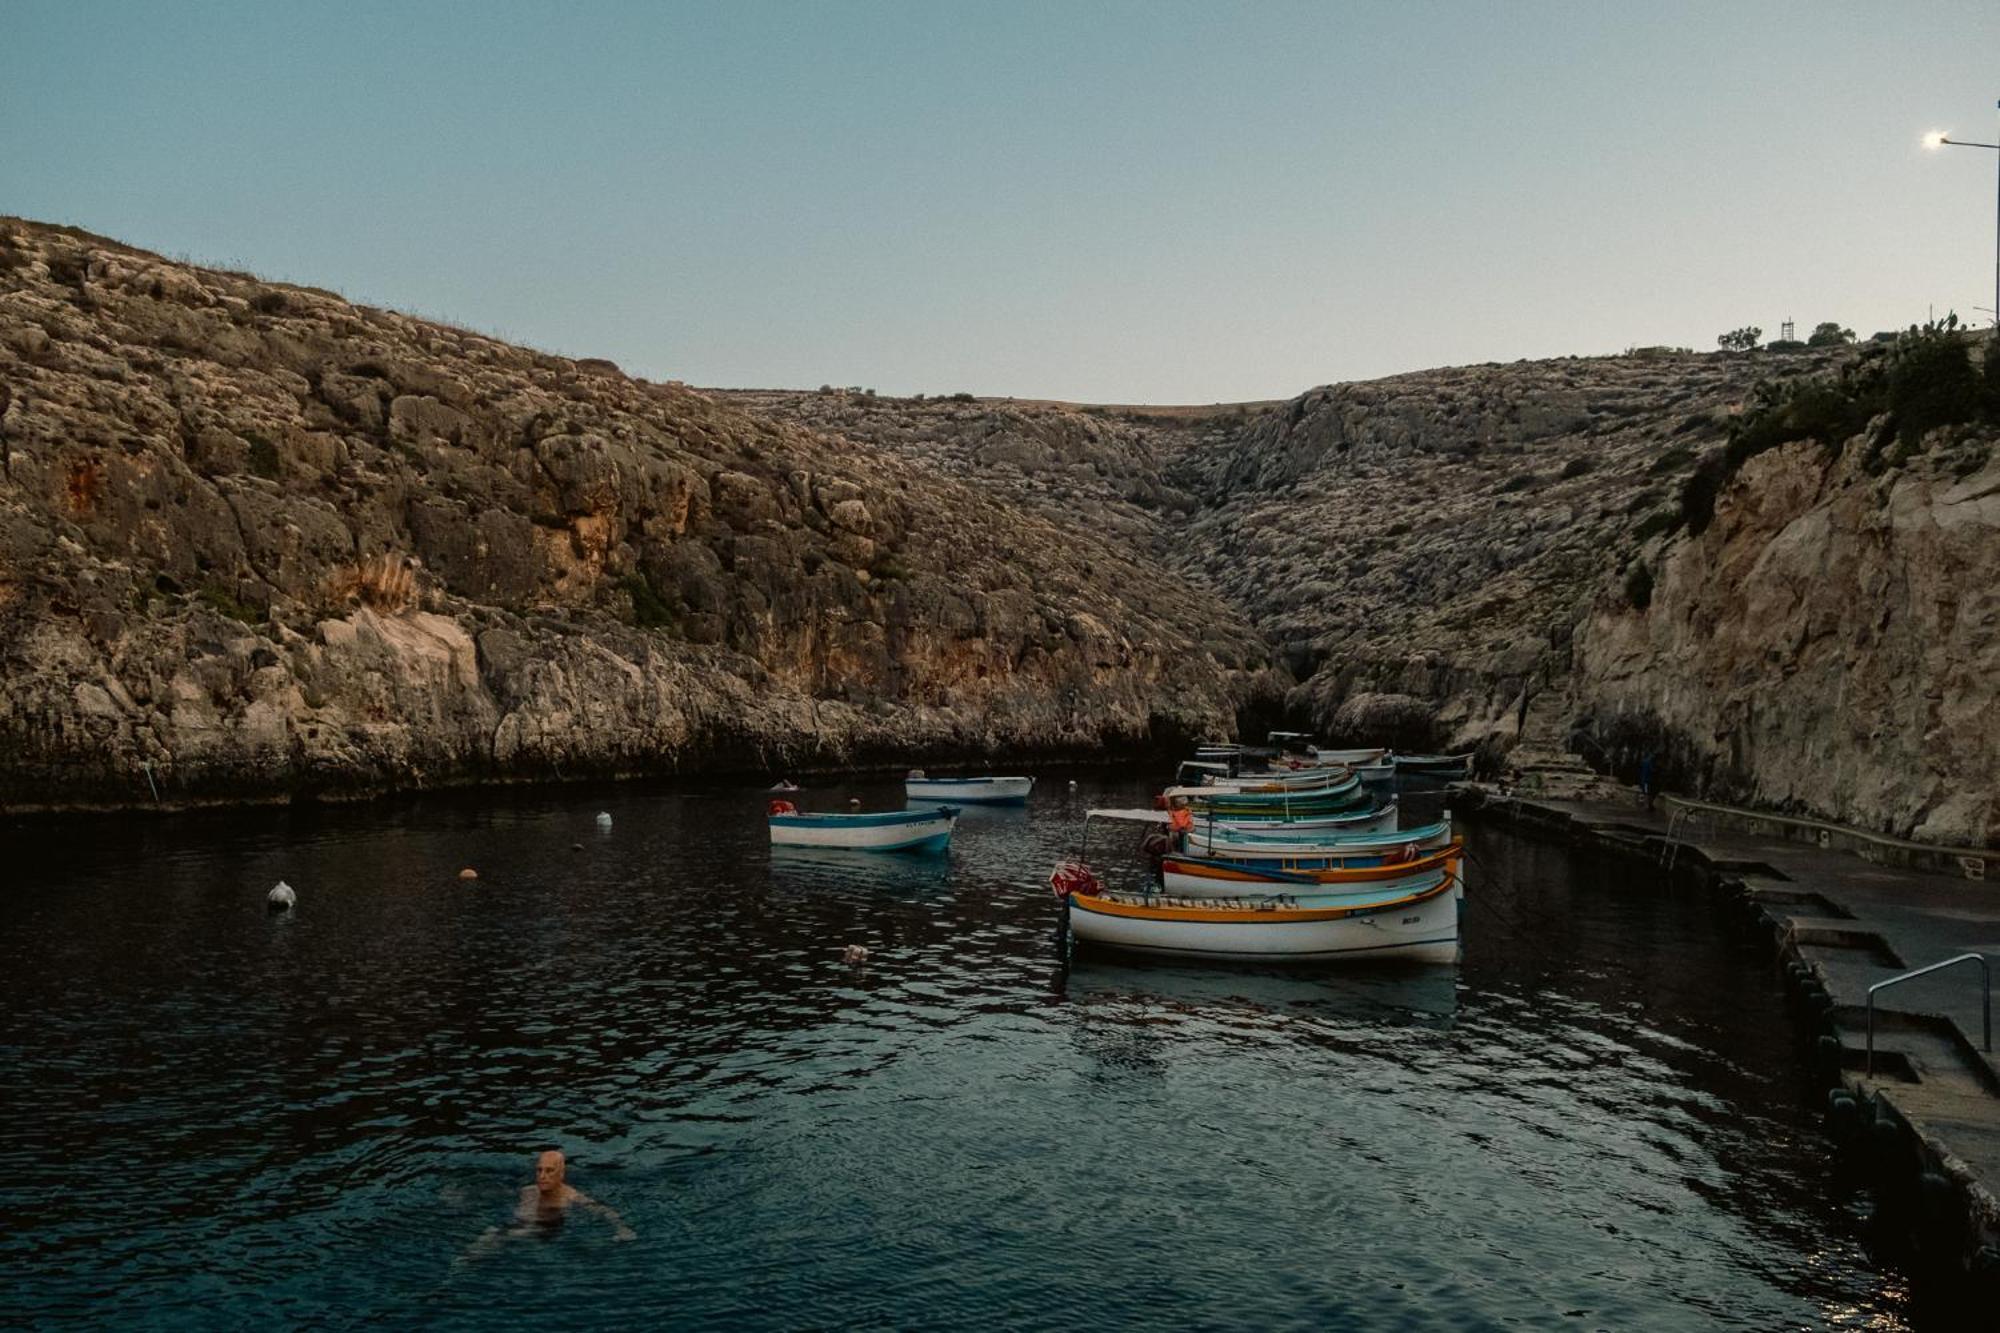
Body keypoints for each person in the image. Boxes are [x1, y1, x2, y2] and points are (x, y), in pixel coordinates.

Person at [458, 1150, 634, 1266]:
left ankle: (466, 1264)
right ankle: (464, 1265)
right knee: (492, 1235)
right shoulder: (527, 1191)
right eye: (539, 1170)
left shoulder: (570, 1196)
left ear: (561, 1174)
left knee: (498, 1235)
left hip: (544, 1230)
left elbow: (602, 1210)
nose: (542, 1176)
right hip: (517, 1226)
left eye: (549, 1171)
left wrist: (622, 1228)